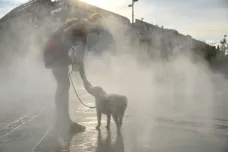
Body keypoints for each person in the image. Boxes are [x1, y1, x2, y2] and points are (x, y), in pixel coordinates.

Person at [43, 13, 104, 138]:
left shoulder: (81, 25)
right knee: (64, 85)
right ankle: (64, 123)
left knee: (63, 85)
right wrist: (72, 50)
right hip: (55, 52)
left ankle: (62, 121)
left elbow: (79, 59)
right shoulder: (84, 24)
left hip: (53, 51)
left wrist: (84, 80)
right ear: (95, 22)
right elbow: (65, 35)